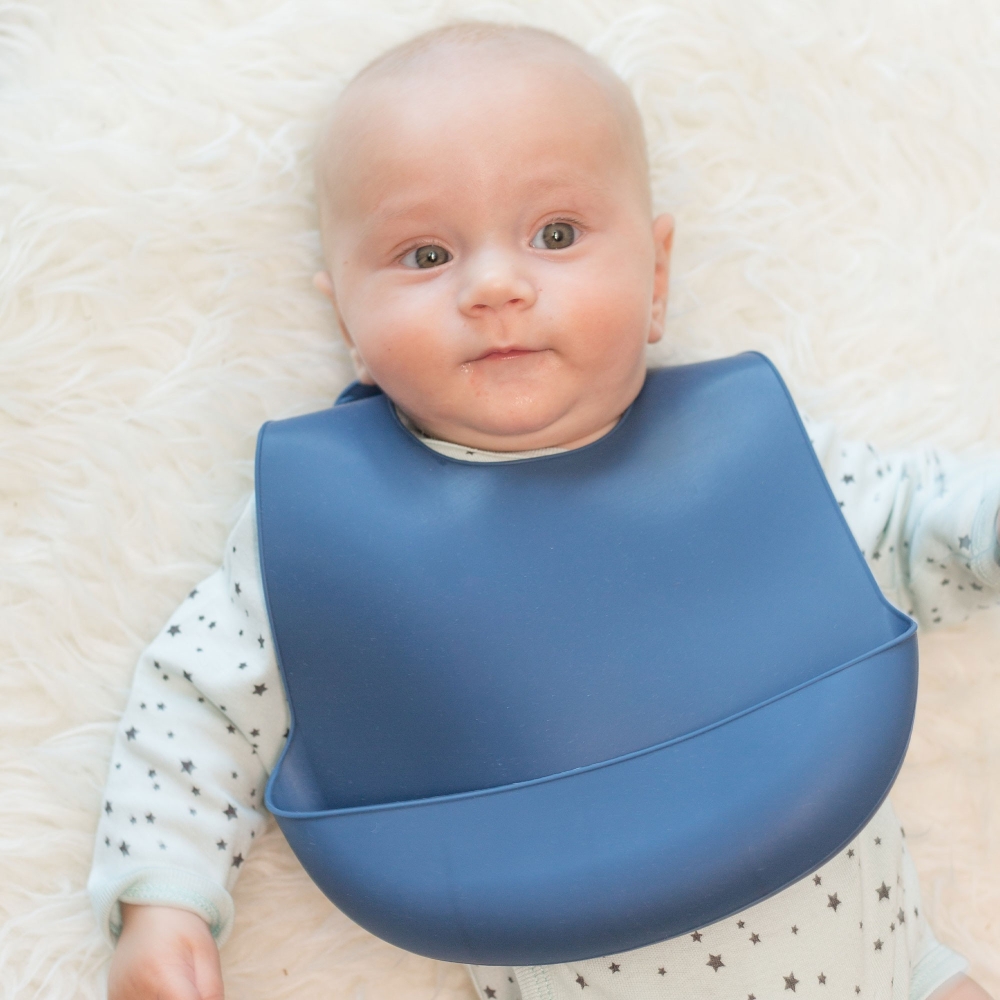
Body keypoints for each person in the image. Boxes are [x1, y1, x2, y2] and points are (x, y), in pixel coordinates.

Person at [89, 21, 1000, 1000]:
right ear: (346, 319)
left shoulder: (753, 458)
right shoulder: (327, 534)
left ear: (655, 279)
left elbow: (919, 527)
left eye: (555, 235)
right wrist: (165, 897)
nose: (494, 286)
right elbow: (198, 705)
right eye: (425, 252)